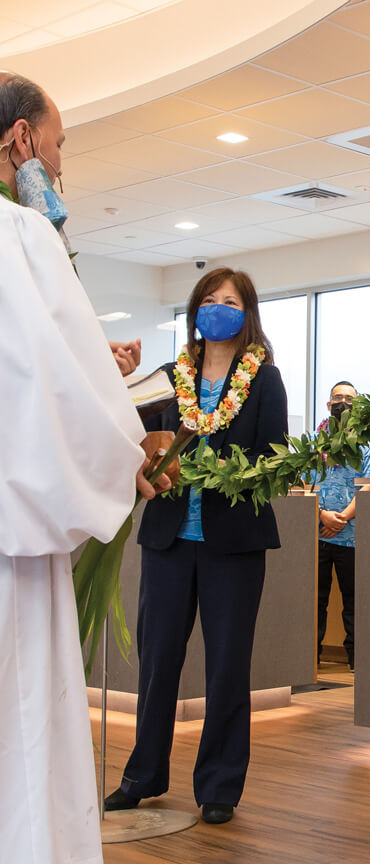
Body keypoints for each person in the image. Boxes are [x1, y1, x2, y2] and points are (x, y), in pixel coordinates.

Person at [0, 72, 172, 864]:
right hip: (13, 542)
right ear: (22, 142)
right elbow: (65, 391)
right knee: (25, 724)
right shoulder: (24, 238)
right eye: (59, 144)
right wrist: (129, 455)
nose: (61, 167)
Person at [105, 267, 289, 825]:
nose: (217, 308)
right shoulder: (167, 375)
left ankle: (218, 787)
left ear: (246, 312)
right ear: (194, 310)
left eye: (228, 301)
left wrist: (217, 470)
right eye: (208, 299)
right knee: (158, 663)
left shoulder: (264, 379)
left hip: (231, 546)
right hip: (167, 541)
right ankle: (143, 776)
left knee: (227, 667)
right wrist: (118, 379)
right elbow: (121, 429)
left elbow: (273, 462)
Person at [314, 381, 370, 670]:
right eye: (337, 397)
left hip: (351, 536)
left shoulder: (366, 443)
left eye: (348, 399)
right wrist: (322, 515)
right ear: (328, 405)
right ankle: (309, 660)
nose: (342, 403)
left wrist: (341, 519)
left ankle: (356, 661)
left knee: (354, 602)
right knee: (315, 602)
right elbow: (303, 484)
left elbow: (369, 487)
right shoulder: (314, 442)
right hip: (316, 533)